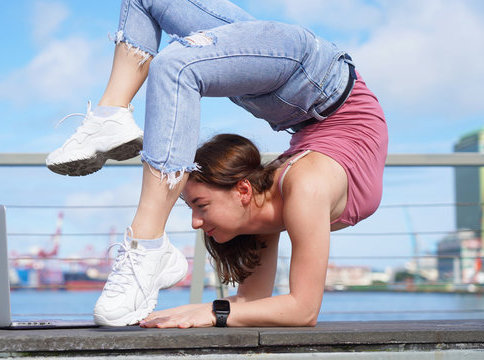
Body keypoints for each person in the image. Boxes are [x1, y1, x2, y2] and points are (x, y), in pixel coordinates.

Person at [46, 0, 388, 327]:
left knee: (175, 66)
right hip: (298, 91)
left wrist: (210, 313)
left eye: (200, 205)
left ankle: (146, 241)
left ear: (242, 189)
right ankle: (112, 112)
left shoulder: (301, 190)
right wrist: (189, 312)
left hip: (309, 83)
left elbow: (303, 309)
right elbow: (257, 305)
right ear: (243, 190)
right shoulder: (278, 208)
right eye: (196, 206)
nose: (195, 223)